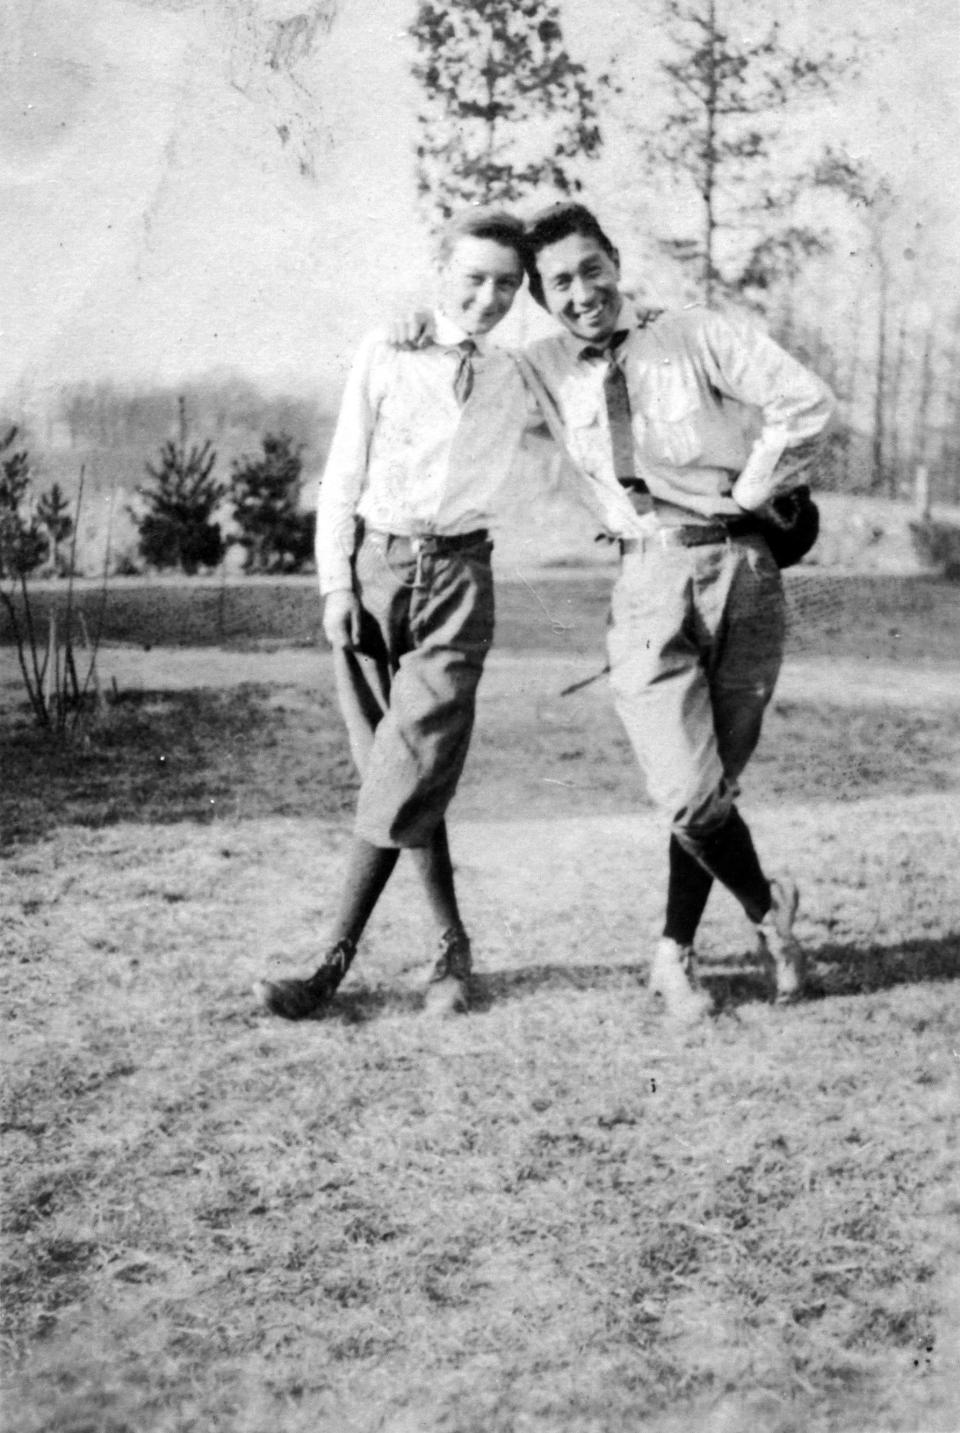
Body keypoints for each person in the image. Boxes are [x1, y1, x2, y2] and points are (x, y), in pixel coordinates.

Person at [517, 201, 836, 1021]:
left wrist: (757, 490)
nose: (582, 292)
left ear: (616, 260)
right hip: (647, 580)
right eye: (559, 282)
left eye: (593, 268)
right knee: (689, 792)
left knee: (712, 784)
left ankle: (673, 955)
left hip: (744, 573)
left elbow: (805, 401)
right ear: (540, 296)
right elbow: (462, 363)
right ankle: (771, 913)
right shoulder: (539, 364)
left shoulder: (691, 333)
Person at [253, 208, 544, 1020]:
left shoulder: (522, 370)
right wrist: (335, 588)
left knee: (408, 763)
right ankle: (453, 947)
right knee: (394, 771)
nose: (490, 297)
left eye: (509, 285)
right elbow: (343, 474)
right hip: (373, 571)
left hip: (458, 577)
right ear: (440, 274)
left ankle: (328, 963)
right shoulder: (389, 349)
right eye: (474, 279)